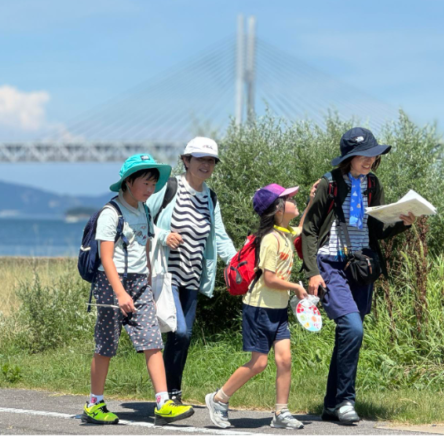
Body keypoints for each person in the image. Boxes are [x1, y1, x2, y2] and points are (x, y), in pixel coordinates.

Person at [301, 128, 416, 425]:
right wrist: (312, 272)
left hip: (360, 267)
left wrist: (402, 224)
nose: (369, 160)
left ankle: (331, 404)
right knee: (352, 328)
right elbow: (310, 230)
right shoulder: (330, 184)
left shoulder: (373, 184)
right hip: (331, 264)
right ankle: (346, 401)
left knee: (348, 336)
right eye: (363, 156)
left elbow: (376, 230)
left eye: (373, 155)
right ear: (349, 158)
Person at [83, 153, 195, 426]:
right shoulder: (111, 213)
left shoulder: (145, 211)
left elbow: (145, 248)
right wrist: (120, 292)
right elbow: (106, 258)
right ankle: (94, 403)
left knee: (153, 340)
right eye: (146, 183)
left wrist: (147, 282)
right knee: (106, 346)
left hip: (139, 283)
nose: (151, 189)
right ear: (128, 182)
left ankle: (163, 402)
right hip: (112, 285)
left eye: (154, 183)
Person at [205, 183, 316, 430]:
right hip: (259, 308)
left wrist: (310, 201)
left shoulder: (285, 233)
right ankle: (218, 399)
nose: (293, 201)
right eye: (288, 198)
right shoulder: (270, 240)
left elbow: (302, 225)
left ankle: (281, 413)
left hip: (277, 309)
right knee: (259, 363)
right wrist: (296, 288)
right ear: (278, 208)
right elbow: (269, 279)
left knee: (285, 359)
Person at [147, 137, 236, 405]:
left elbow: (220, 235)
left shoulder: (210, 197)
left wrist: (236, 262)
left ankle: (171, 393)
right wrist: (163, 235)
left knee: (183, 338)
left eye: (210, 160)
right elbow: (141, 220)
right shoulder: (169, 187)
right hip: (166, 274)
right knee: (180, 332)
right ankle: (166, 393)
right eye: (200, 159)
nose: (206, 165)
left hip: (193, 277)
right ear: (186, 161)